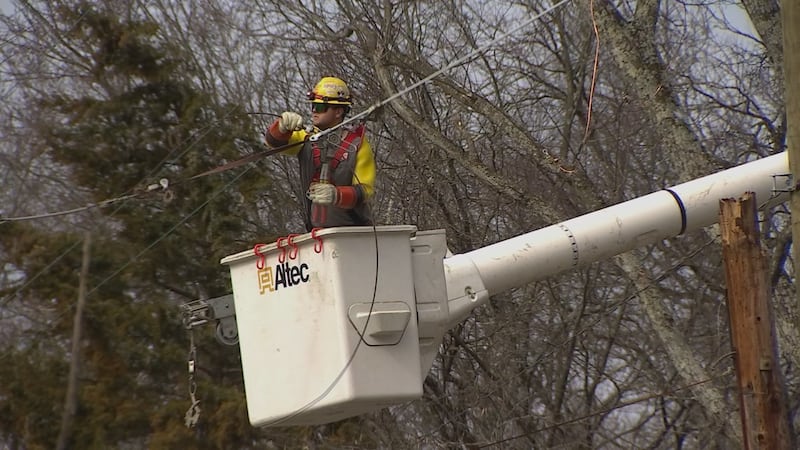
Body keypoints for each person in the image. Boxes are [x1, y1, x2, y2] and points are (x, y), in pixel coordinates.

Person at [264, 76, 376, 231]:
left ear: (338, 112)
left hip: (353, 234)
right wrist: (281, 127)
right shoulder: (306, 138)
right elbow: (274, 143)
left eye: (321, 107)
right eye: (313, 106)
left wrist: (337, 195)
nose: (315, 111)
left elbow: (365, 190)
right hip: (316, 234)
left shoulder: (357, 144)